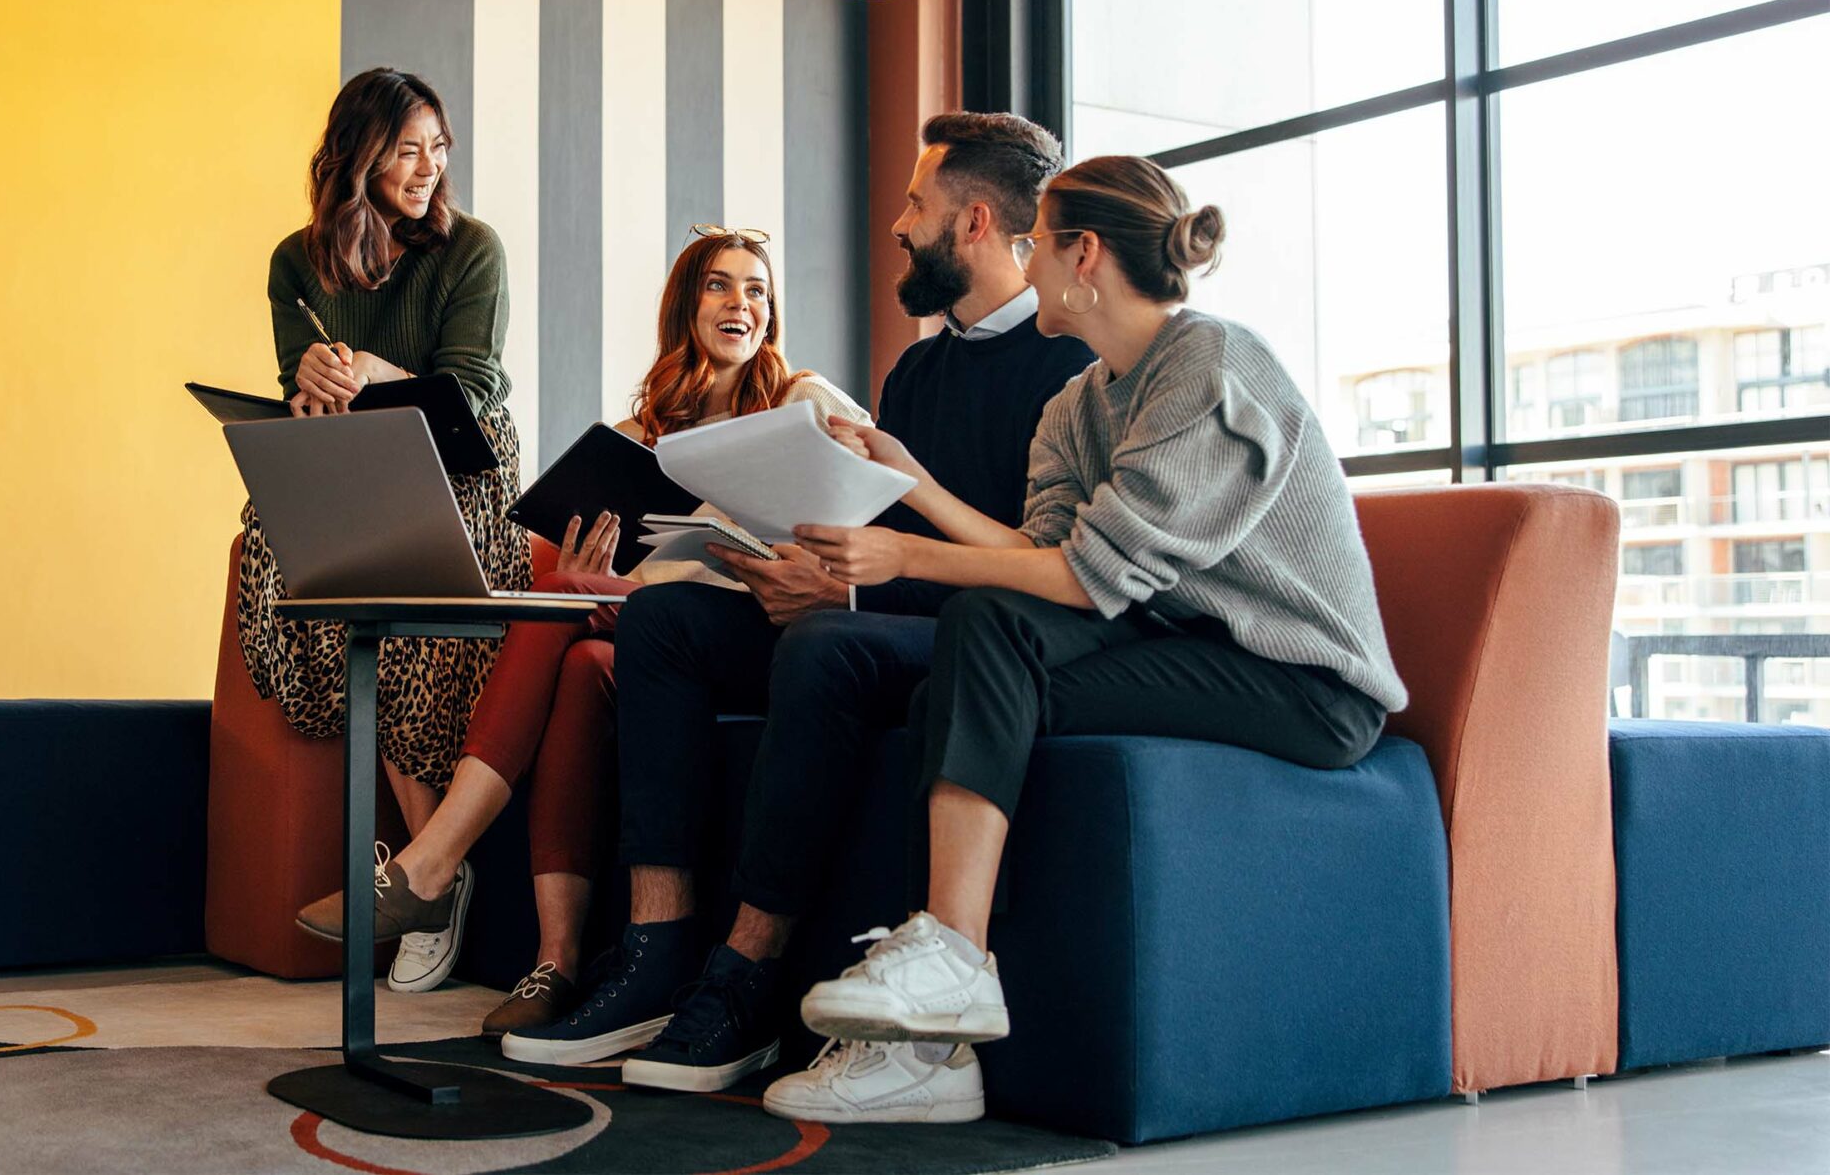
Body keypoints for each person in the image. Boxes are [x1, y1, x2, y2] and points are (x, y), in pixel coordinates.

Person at [779, 154, 1410, 1123]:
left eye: (1037, 248)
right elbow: (1042, 558)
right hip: (1182, 643)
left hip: (1303, 683)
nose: (1023, 267)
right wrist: (911, 480)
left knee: (982, 627)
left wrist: (903, 554)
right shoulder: (1076, 406)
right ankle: (933, 1048)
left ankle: (948, 971)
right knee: (968, 657)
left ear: (1084, 256)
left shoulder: (1209, 367)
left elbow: (1083, 576)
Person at [500, 113, 1096, 1112]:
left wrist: (849, 590)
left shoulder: (1068, 369)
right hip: (873, 607)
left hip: (973, 640)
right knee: (661, 628)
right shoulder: (915, 371)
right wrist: (796, 563)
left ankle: (746, 978)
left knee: (824, 643)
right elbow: (864, 519)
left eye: (915, 204)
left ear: (975, 222)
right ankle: (654, 954)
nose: (898, 225)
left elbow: (1040, 573)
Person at [294, 224, 866, 1026]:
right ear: (685, 308)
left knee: (577, 607)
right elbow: (628, 584)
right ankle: (553, 964)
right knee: (574, 634)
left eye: (757, 290)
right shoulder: (638, 440)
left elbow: (871, 504)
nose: (742, 302)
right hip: (656, 640)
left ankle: (430, 866)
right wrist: (595, 577)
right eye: (720, 286)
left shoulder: (801, 401)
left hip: (768, 631)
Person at [236, 67, 528, 996]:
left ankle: (425, 875)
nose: (428, 166)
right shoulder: (296, 260)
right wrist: (313, 382)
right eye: (409, 148)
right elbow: (298, 381)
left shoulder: (472, 249)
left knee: (400, 596)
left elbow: (473, 393)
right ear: (359, 153)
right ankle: (433, 879)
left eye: (439, 147)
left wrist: (373, 369)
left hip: (462, 465)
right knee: (282, 543)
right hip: (355, 459)